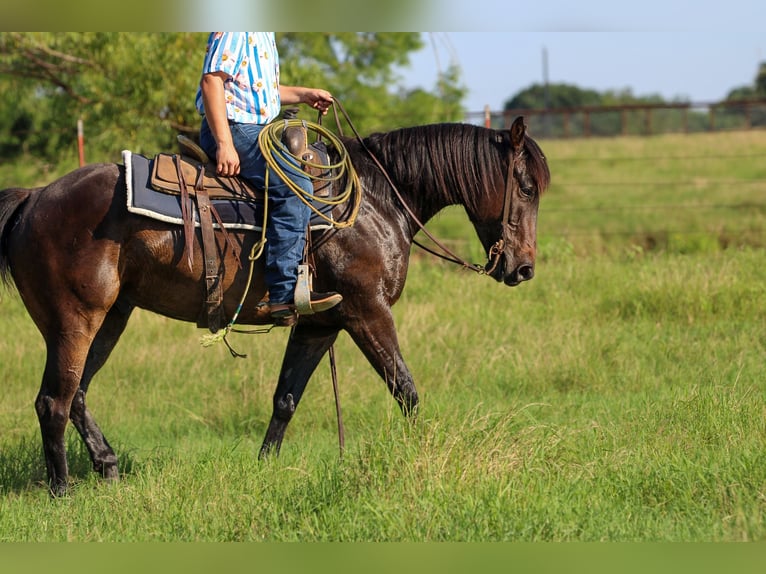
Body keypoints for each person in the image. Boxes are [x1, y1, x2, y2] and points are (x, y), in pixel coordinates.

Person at [195, 32, 342, 321]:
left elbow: (259, 91)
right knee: (296, 186)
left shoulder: (263, 32)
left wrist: (303, 95)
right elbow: (212, 80)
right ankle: (284, 293)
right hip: (236, 128)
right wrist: (225, 143)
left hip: (255, 127)